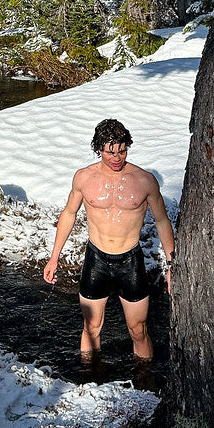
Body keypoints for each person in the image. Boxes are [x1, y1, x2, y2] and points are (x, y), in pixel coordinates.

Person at [43, 118, 175, 360]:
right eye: (110, 152)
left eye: (122, 151)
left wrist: (171, 265)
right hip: (97, 260)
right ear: (98, 149)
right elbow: (69, 214)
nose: (117, 158)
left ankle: (144, 378)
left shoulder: (144, 180)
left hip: (130, 261)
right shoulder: (84, 177)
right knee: (91, 327)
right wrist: (54, 258)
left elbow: (162, 221)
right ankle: (90, 375)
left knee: (138, 330)